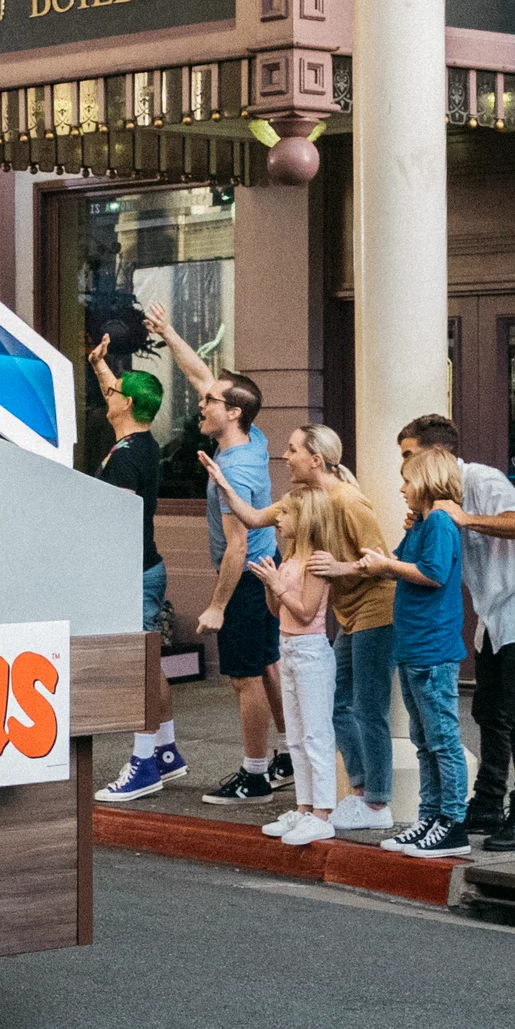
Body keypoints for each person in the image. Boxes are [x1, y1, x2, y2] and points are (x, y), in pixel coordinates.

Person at [399, 415, 515, 854]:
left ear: (434, 454)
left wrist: (467, 518)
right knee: (487, 709)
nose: (403, 467)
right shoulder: (436, 503)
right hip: (492, 610)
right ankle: (489, 802)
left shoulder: (481, 479)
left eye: (408, 455)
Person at [142, 303, 291, 806]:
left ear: (233, 413)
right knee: (268, 666)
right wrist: (168, 332)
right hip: (267, 570)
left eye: (210, 402)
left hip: (247, 577)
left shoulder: (235, 471)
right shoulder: (251, 436)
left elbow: (237, 545)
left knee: (244, 677)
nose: (201, 404)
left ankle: (255, 775)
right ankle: (288, 755)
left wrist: (217, 605)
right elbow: (198, 373)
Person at [330, 447, 473, 858]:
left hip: (433, 648)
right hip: (413, 646)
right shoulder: (423, 524)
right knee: (423, 739)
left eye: (408, 480)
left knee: (442, 739)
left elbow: (432, 574)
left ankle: (453, 822)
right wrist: (374, 563)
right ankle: (429, 817)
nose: (402, 488)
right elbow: (396, 560)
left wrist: (386, 568)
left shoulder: (440, 522)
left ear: (427, 482)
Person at [262, 484, 384, 848]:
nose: (278, 519)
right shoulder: (289, 559)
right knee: (295, 736)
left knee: (316, 735)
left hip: (311, 652)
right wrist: (271, 585)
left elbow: (305, 612)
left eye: (285, 513)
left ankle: (322, 813)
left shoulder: (316, 562)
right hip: (287, 649)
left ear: (305, 520)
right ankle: (303, 807)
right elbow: (278, 612)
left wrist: (277, 586)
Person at [90, 341, 186, 803]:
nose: (106, 395)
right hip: (146, 568)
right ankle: (166, 751)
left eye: (113, 393)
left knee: (140, 668)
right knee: (151, 663)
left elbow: (119, 521)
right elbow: (116, 387)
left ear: (126, 403)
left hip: (133, 573)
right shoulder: (141, 443)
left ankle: (144, 764)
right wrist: (99, 364)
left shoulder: (127, 456)